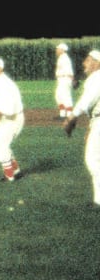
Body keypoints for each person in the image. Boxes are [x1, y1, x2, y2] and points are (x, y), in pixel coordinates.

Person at [62, 50, 100, 208]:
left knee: (93, 160)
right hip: (96, 121)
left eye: (88, 60)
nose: (84, 63)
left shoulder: (96, 78)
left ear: (97, 63)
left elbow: (87, 101)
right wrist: (90, 128)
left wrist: (71, 117)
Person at [55, 43, 76, 121]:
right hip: (61, 79)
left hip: (65, 79)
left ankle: (69, 115)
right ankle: (62, 114)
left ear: (62, 50)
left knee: (66, 96)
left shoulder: (65, 58)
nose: (56, 50)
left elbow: (69, 70)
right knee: (58, 96)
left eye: (58, 49)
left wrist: (72, 79)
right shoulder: (61, 58)